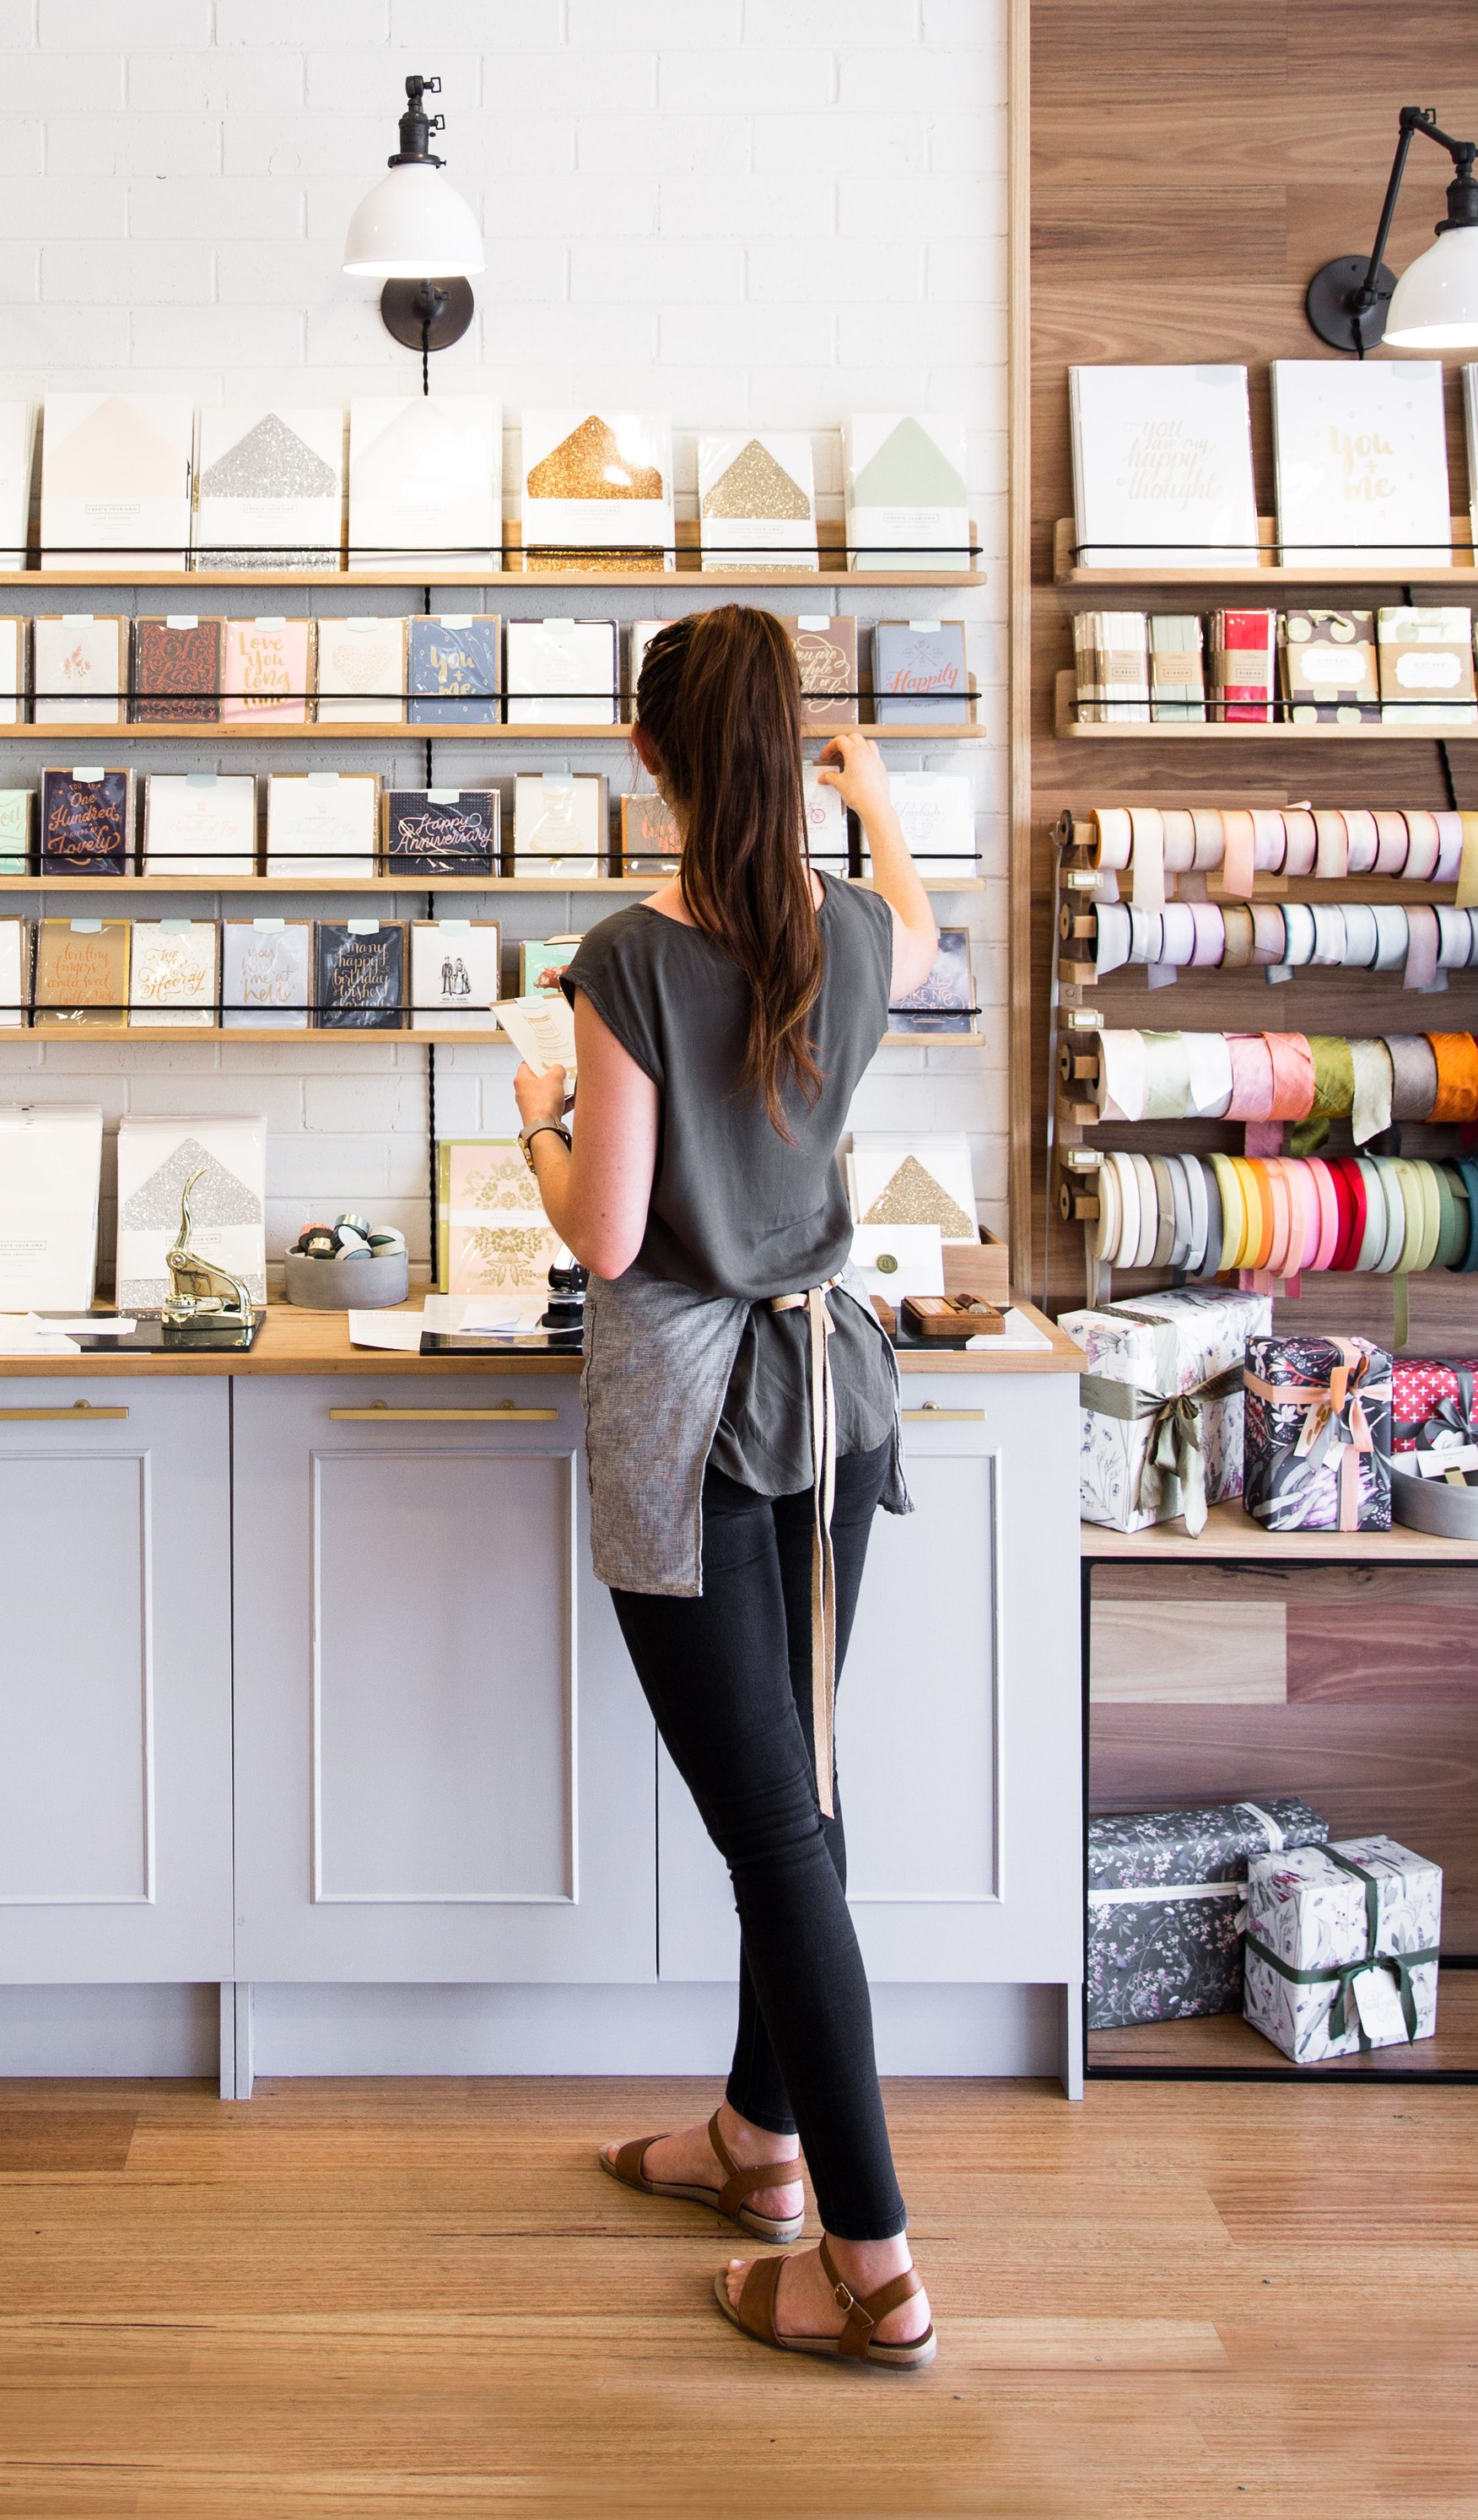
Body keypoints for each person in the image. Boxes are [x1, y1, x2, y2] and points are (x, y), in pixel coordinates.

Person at [511, 604, 943, 2371]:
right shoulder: (844, 931)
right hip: (825, 1399)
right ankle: (754, 2148)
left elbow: (605, 1238)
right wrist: (876, 798)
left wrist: (537, 1115)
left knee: (775, 1836)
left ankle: (873, 2267)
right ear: (787, 752)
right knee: (800, 1811)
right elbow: (915, 935)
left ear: (648, 760)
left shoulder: (620, 959)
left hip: (690, 1420)